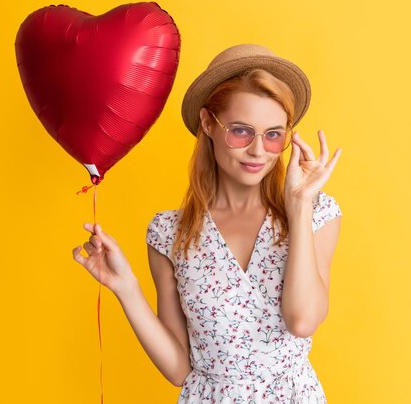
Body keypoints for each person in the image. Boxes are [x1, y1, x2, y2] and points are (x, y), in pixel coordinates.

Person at [72, 43, 343, 403]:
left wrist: (299, 205)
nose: (258, 151)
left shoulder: (316, 214)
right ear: (208, 124)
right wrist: (126, 288)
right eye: (241, 131)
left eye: (273, 135)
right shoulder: (170, 233)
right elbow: (179, 370)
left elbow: (303, 321)